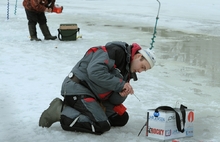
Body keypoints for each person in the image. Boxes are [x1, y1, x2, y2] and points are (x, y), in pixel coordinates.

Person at [39, 41, 156, 135]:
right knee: (101, 125)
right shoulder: (115, 52)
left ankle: (88, 110)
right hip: (77, 88)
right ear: (138, 56)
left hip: (95, 95)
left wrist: (121, 94)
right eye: (142, 67)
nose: (140, 71)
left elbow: (113, 99)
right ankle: (61, 110)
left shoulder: (127, 70)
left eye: (143, 70)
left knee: (121, 119)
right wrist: (120, 85)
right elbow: (94, 72)